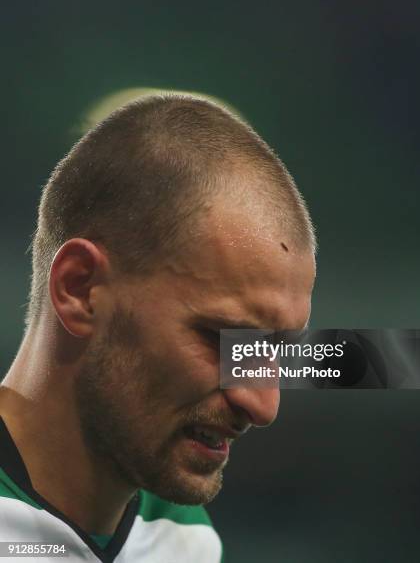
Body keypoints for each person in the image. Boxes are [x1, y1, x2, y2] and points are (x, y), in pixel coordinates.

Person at [0, 94, 316, 562]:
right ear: (80, 288)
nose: (263, 403)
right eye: (221, 336)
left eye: (275, 348)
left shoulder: (184, 538)